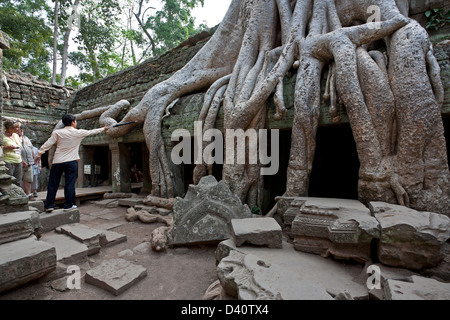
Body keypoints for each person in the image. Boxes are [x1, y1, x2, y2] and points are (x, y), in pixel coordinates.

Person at [34, 114, 110, 212]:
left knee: (53, 184)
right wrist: (104, 128)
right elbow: (92, 132)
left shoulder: (57, 133)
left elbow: (48, 143)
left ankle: (49, 205)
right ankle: (68, 204)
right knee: (69, 183)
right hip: (71, 162)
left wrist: (39, 153)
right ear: (73, 122)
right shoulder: (78, 133)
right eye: (75, 121)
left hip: (58, 161)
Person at [2, 120, 23, 186]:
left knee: (18, 180)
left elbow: (19, 146)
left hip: (18, 160)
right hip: (8, 161)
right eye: (16, 127)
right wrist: (7, 147)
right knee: (9, 179)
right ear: (10, 128)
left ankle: (18, 194)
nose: (17, 129)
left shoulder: (16, 135)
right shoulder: (2, 136)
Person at [18, 124, 35, 198]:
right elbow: (17, 151)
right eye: (19, 129)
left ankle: (28, 194)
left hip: (29, 162)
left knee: (28, 179)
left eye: (21, 129)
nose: (21, 131)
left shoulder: (26, 138)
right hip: (20, 162)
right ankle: (21, 194)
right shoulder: (14, 139)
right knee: (19, 179)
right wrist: (23, 161)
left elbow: (30, 149)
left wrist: (34, 158)